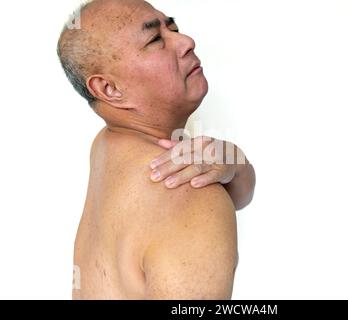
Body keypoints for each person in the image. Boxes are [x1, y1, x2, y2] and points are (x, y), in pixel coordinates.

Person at [57, 0, 256, 299]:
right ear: (110, 89)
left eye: (173, 27)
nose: (187, 42)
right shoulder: (191, 192)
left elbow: (239, 195)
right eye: (155, 40)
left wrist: (236, 164)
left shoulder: (107, 145)